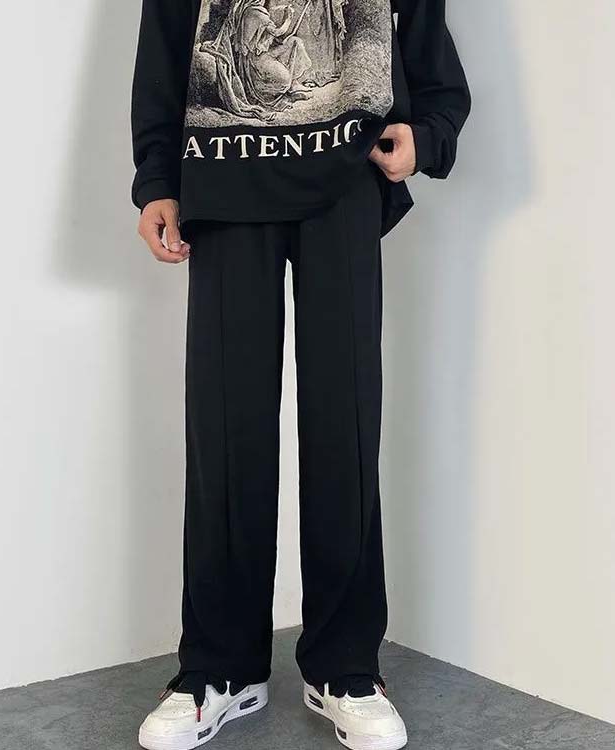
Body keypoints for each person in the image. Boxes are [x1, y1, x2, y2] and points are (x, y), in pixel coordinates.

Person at [131, 0, 470, 748]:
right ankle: (219, 666)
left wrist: (429, 136)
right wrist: (156, 178)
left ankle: (345, 667)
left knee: (343, 422)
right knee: (225, 427)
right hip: (224, 178)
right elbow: (165, 43)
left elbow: (428, 44)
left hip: (346, 181)